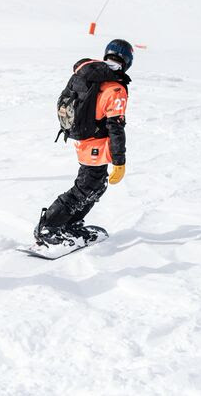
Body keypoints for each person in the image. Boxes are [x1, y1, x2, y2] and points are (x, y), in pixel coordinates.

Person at [35, 39, 133, 245]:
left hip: (84, 139)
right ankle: (50, 227)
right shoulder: (115, 88)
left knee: (95, 185)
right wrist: (119, 161)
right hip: (95, 143)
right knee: (87, 186)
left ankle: (68, 224)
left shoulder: (92, 76)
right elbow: (116, 126)